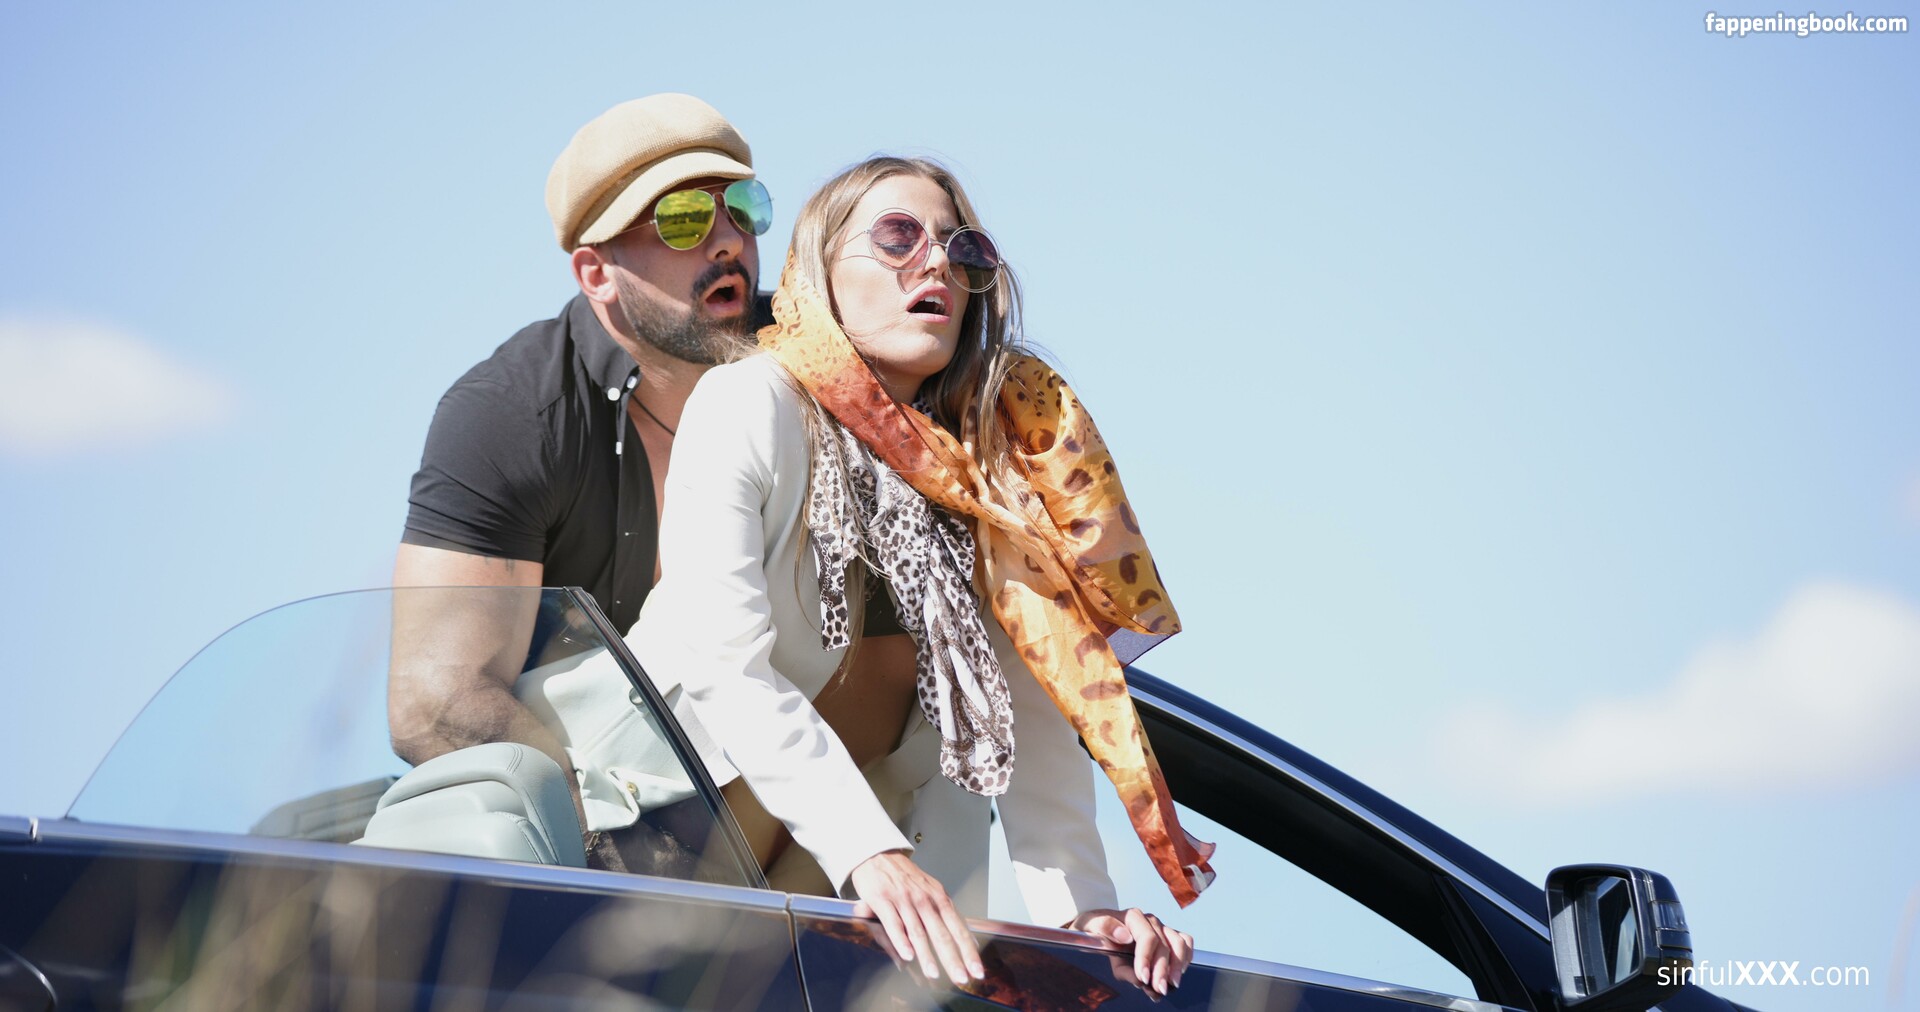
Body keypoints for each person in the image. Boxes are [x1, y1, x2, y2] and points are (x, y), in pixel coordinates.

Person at [628, 156, 1215, 996]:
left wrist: (1088, 921)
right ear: (821, 271)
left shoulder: (996, 476)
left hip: (807, 926)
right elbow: (726, 666)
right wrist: (871, 852)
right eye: (899, 237)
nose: (936, 262)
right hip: (629, 848)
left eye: (962, 249)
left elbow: (1029, 722)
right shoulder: (747, 404)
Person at [386, 94, 772, 864]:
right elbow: (437, 701)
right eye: (684, 221)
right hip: (587, 835)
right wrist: (601, 854)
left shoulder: (818, 369)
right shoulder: (509, 415)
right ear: (596, 273)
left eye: (744, 208)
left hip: (797, 808)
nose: (729, 240)